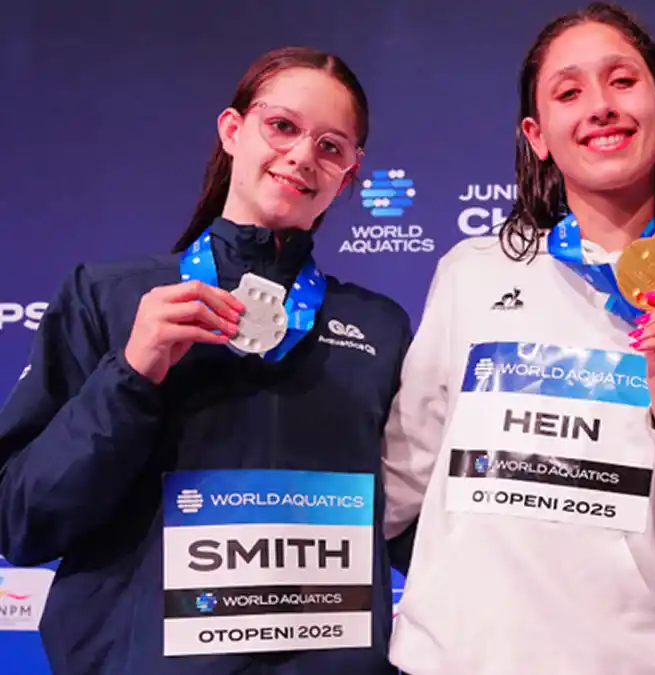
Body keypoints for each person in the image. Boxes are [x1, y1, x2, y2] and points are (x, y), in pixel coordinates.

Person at [380, 3, 655, 673]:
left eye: (622, 81)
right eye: (569, 91)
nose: (600, 106)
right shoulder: (471, 276)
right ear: (537, 134)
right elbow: (399, 480)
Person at [0, 46, 414, 674]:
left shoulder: (380, 328)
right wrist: (130, 373)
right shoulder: (109, 297)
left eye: (332, 146)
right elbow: (21, 522)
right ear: (232, 130)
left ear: (350, 173)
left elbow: (416, 520)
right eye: (282, 126)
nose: (303, 155)